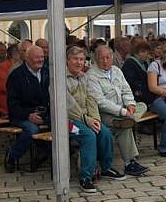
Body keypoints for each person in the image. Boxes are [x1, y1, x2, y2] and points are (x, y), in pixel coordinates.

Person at [65, 46, 123, 193]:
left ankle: (106, 168)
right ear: (67, 60)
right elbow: (69, 105)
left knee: (104, 132)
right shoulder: (60, 80)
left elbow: (91, 99)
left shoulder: (84, 77)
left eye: (82, 59)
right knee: (88, 135)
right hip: (67, 120)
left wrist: (95, 119)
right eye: (75, 59)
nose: (79, 63)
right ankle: (86, 176)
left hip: (86, 118)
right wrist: (86, 120)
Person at [87, 45, 149, 177]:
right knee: (124, 126)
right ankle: (129, 162)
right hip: (104, 113)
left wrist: (130, 104)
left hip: (123, 110)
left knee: (142, 105)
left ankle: (130, 118)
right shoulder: (91, 75)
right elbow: (100, 102)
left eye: (108, 57)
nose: (105, 61)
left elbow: (126, 90)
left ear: (112, 58)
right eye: (102, 58)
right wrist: (123, 112)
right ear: (96, 58)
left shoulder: (116, 71)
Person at [5, 46, 49, 171]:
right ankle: (12, 156)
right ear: (27, 58)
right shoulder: (16, 76)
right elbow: (12, 105)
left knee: (61, 125)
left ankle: (47, 153)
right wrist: (28, 115)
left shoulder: (48, 72)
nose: (41, 60)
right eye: (37, 57)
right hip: (21, 115)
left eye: (42, 57)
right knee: (32, 129)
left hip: (43, 113)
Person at [122, 42, 154, 107]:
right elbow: (130, 82)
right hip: (136, 94)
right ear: (139, 52)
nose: (147, 56)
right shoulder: (129, 63)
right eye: (146, 53)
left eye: (148, 53)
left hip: (144, 93)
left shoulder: (144, 63)